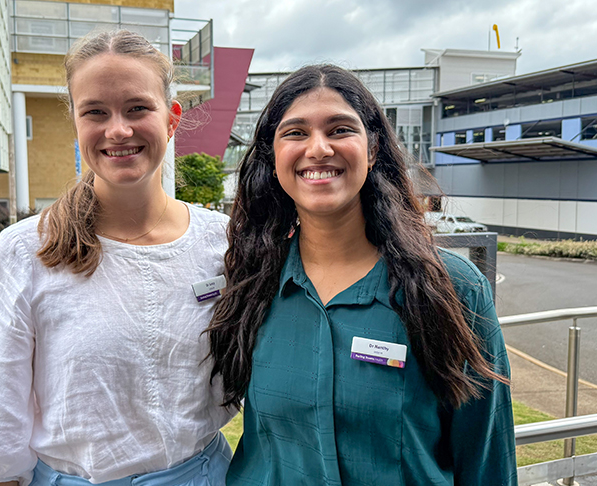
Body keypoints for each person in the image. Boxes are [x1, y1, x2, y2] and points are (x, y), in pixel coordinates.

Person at [207, 64, 517, 485]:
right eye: (295, 133)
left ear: (372, 150)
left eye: (339, 130)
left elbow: (488, 461)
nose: (318, 148)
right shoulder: (252, 283)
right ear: (273, 156)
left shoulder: (453, 288)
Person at [0, 30, 234, 486]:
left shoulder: (221, 242)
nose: (118, 130)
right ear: (77, 124)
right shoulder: (27, 250)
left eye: (137, 108)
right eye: (95, 112)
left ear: (172, 119)